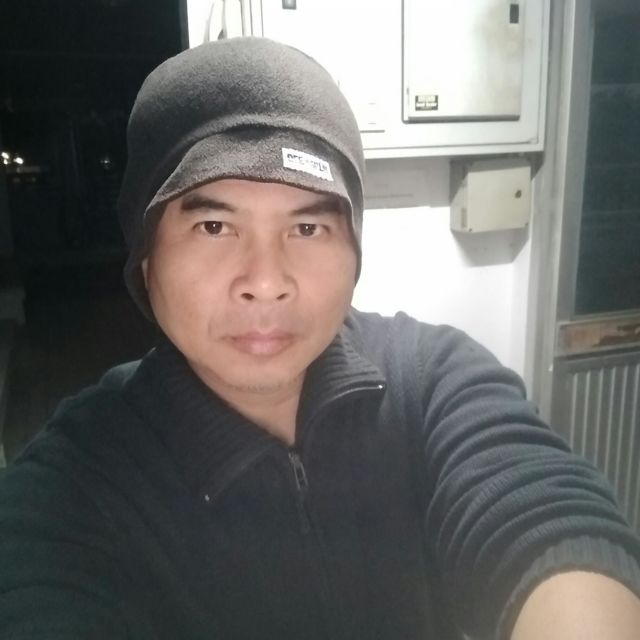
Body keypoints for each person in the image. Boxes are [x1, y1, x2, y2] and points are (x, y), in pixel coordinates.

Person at [1, 37, 639, 640]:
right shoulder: (74, 486)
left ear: (354, 251)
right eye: (214, 227)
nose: (266, 282)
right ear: (146, 262)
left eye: (307, 229)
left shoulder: (431, 380)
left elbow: (549, 525)